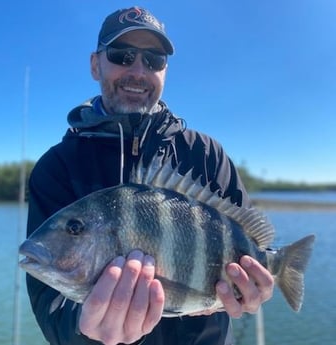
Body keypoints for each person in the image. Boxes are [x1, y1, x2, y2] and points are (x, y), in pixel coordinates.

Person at [26, 6, 274, 345]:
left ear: (165, 71)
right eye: (122, 55)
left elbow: (250, 247)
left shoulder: (207, 155)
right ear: (95, 64)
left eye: (154, 60)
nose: (138, 71)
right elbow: (48, 305)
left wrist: (254, 288)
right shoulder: (56, 168)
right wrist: (87, 331)